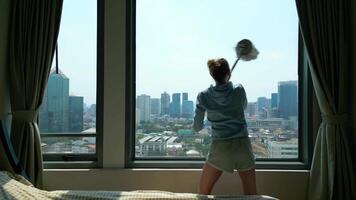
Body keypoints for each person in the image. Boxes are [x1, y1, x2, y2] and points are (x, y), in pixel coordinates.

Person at [193, 58, 257, 195]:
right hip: (243, 146)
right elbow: (243, 106)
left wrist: (209, 119)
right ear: (228, 73)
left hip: (221, 147)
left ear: (212, 75)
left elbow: (197, 127)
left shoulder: (204, 96)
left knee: (203, 193)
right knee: (252, 195)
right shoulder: (239, 89)